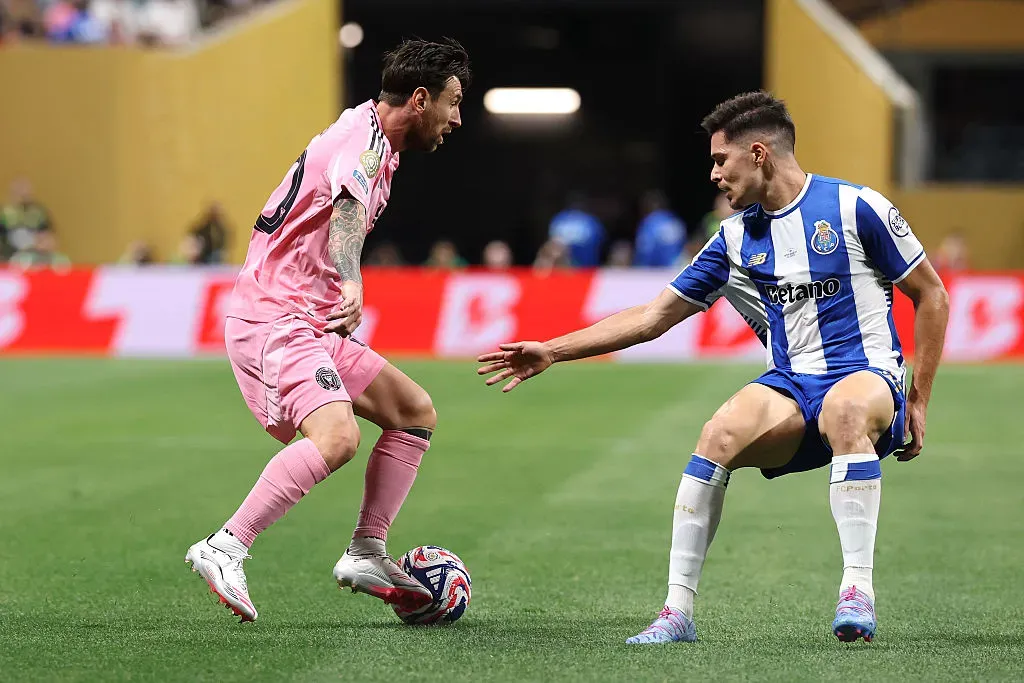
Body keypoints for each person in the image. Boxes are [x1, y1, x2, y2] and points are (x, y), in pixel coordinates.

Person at [478, 91, 949, 645]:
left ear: (758, 154)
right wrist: (554, 350)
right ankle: (677, 613)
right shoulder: (732, 238)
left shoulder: (856, 208)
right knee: (717, 434)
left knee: (847, 409)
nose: (714, 175)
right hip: (793, 385)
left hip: (866, 375)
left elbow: (931, 294)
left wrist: (917, 397)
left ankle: (857, 592)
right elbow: (654, 316)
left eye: (719, 160)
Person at [185, 38, 471, 623]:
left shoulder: (373, 138)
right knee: (337, 438)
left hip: (307, 320)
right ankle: (225, 545)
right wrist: (351, 281)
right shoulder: (363, 142)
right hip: (276, 317)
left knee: (414, 412)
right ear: (420, 99)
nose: (456, 119)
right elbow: (344, 211)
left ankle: (367, 550)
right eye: (453, 102)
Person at [633, 190, 687, 268]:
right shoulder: (676, 220)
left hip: (656, 271)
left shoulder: (650, 222)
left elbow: (645, 250)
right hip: (676, 268)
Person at [548, 193, 604, 267]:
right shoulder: (590, 219)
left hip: (584, 264)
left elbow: (600, 239)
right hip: (567, 263)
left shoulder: (559, 218)